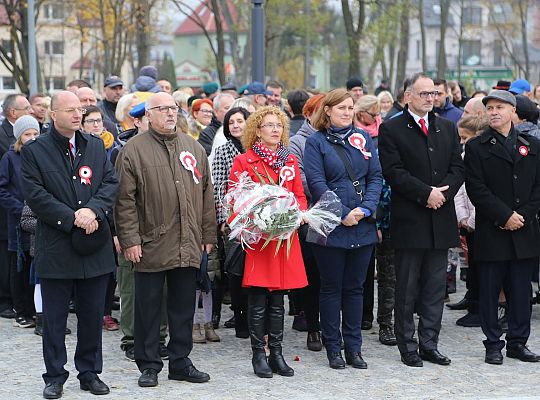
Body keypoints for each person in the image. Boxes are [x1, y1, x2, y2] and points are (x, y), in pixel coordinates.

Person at [115, 92, 216, 388]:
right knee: (148, 308)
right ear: (148, 114)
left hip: (187, 241)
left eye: (173, 108)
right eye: (163, 109)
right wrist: (130, 239)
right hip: (150, 243)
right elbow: (123, 201)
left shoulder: (192, 147)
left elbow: (206, 193)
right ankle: (148, 365)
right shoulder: (133, 150)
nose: (171, 114)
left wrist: (207, 234)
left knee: (183, 306)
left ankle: (181, 361)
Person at [21, 90, 118, 399]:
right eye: (70, 110)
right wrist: (71, 217)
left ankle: (89, 372)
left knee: (92, 315)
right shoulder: (35, 151)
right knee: (55, 319)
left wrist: (93, 211)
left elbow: (110, 183)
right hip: (57, 247)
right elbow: (35, 195)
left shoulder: (95, 146)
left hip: (94, 245)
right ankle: (54, 375)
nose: (78, 115)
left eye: (80, 109)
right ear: (54, 115)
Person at [378, 72, 464, 368]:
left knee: (434, 287)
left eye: (434, 93)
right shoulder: (392, 129)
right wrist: (425, 193)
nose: (431, 98)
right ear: (408, 96)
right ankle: (408, 346)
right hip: (410, 219)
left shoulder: (447, 127)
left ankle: (430, 343)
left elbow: (457, 167)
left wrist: (442, 194)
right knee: (407, 287)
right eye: (424, 93)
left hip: (441, 217)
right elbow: (393, 171)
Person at [304, 89, 382, 369]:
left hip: (362, 225)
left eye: (350, 107)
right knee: (331, 288)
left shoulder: (363, 138)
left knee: (356, 289)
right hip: (331, 226)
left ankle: (354, 348)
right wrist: (342, 214)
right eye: (341, 108)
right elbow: (316, 182)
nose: (347, 112)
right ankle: (333, 348)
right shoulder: (316, 143)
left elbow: (375, 176)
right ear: (328, 110)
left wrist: (366, 209)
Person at [228, 106, 308, 378]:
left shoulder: (290, 160)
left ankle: (277, 352)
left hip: (284, 238)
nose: (276, 130)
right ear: (257, 131)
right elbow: (234, 199)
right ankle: (257, 354)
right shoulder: (244, 161)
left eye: (279, 126)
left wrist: (296, 215)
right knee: (259, 297)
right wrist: (255, 221)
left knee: (279, 299)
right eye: (269, 125)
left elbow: (298, 194)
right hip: (260, 241)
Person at [465, 90, 540, 365]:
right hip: (493, 229)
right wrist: (504, 215)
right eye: (490, 108)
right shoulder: (476, 146)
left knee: (521, 292)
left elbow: (537, 188)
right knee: (489, 291)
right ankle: (493, 344)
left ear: (513, 112)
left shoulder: (531, 144)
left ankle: (518, 342)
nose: (494, 112)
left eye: (500, 107)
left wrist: (522, 215)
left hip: (524, 228)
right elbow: (476, 189)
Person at [289, 93, 325, 351]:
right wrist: (330, 192)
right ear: (310, 113)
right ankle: (313, 326)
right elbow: (302, 180)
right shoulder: (297, 142)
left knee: (333, 278)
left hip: (336, 215)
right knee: (313, 275)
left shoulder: (336, 137)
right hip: (311, 217)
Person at [211, 107, 251, 339]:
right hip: (233, 219)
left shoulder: (258, 149)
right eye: (231, 123)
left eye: (239, 121)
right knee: (235, 269)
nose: (235, 126)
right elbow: (218, 188)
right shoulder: (223, 151)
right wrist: (223, 219)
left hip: (256, 219)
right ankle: (239, 316)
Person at [0, 115, 40, 328]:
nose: (32, 138)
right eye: (27, 134)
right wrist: (20, 208)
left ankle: (34, 310)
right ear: (19, 137)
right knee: (19, 267)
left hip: (37, 221)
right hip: (17, 223)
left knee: (35, 268)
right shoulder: (9, 158)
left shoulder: (41, 157)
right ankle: (21, 310)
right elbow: (2, 188)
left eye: (35, 133)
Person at [451, 116, 488, 329]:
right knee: (471, 265)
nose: (462, 142)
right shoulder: (465, 156)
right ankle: (472, 301)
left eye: (465, 138)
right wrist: (462, 216)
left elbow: (479, 192)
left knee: (481, 268)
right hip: (466, 219)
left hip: (479, 220)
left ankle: (480, 308)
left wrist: (472, 219)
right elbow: (460, 190)